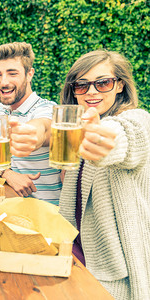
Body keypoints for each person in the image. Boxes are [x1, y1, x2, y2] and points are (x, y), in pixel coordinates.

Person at [56, 50, 149, 299]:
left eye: (103, 82)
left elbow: (123, 136)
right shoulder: (75, 128)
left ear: (120, 85)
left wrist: (102, 141)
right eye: (82, 85)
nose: (92, 92)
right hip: (76, 255)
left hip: (115, 273)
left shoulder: (138, 120)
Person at [0, 42, 62, 205]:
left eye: (12, 74)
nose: (3, 82)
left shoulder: (47, 108)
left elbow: (42, 128)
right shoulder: (0, 109)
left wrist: (31, 136)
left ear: (29, 74)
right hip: (13, 207)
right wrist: (8, 174)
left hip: (49, 216)